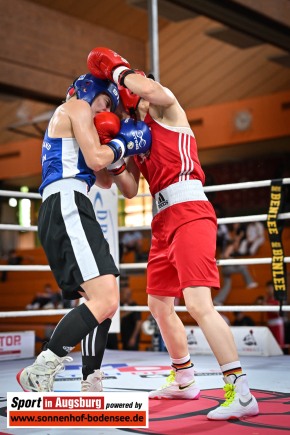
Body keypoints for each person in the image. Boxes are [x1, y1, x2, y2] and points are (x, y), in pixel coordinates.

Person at [87, 47, 259, 420]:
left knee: (198, 304)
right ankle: (185, 380)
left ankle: (240, 389)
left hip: (190, 210)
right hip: (162, 220)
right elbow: (131, 189)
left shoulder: (168, 108)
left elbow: (149, 91)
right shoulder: (137, 136)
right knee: (159, 306)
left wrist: (117, 70)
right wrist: (116, 156)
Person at [16, 73, 151, 393]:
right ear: (88, 92)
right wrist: (120, 143)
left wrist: (123, 150)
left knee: (102, 300)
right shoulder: (75, 107)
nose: (106, 113)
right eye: (105, 104)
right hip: (66, 202)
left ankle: (90, 378)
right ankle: (41, 368)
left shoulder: (87, 124)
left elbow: (118, 186)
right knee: (104, 298)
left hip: (70, 205)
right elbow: (94, 159)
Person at [213, 224, 258, 305]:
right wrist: (234, 261)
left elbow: (236, 242)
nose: (238, 244)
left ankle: (218, 300)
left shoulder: (231, 246)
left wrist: (239, 236)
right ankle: (249, 282)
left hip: (225, 269)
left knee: (227, 285)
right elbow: (226, 256)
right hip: (227, 268)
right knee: (243, 268)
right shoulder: (230, 246)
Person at [264, 280, 285, 347]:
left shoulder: (279, 298)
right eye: (267, 288)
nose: (269, 290)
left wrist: (268, 306)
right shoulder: (266, 298)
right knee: (270, 345)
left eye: (270, 288)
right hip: (269, 323)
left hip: (277, 324)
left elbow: (280, 312)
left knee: (279, 344)